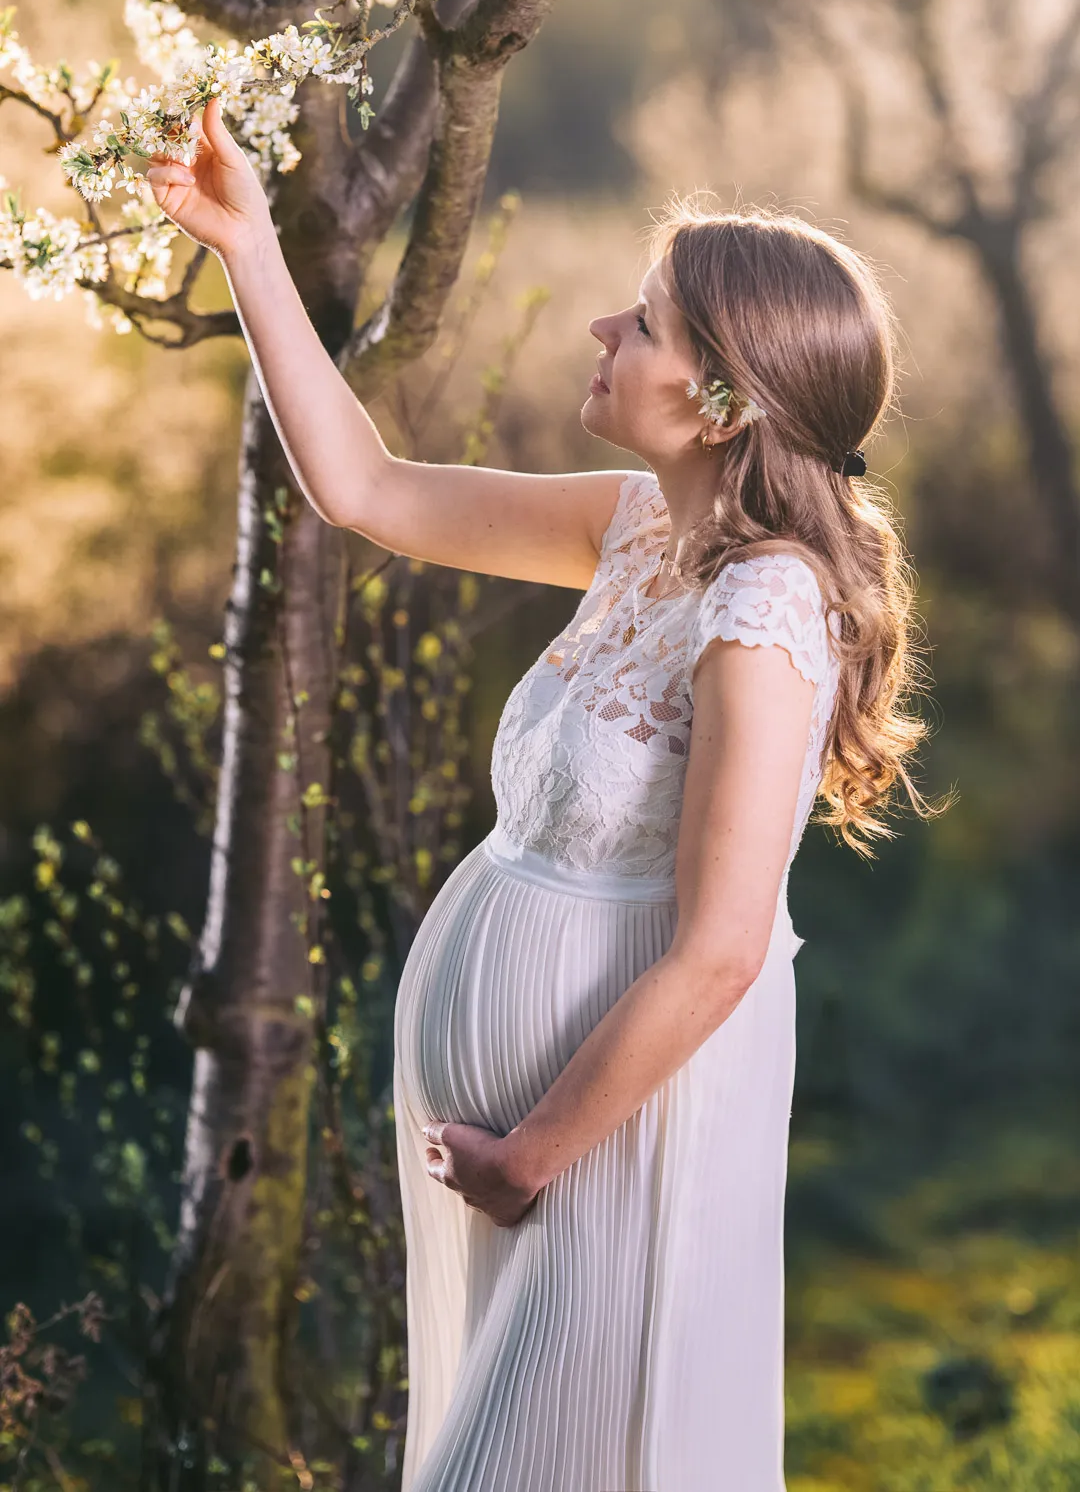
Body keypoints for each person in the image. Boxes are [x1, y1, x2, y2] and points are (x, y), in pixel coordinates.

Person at [148, 99, 943, 1492]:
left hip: (613, 1150)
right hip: (525, 1162)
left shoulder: (765, 611)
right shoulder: (640, 526)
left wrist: (535, 1151)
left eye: (642, 325)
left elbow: (720, 947)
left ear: (719, 399)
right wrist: (247, 249)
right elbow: (368, 487)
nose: (602, 333)